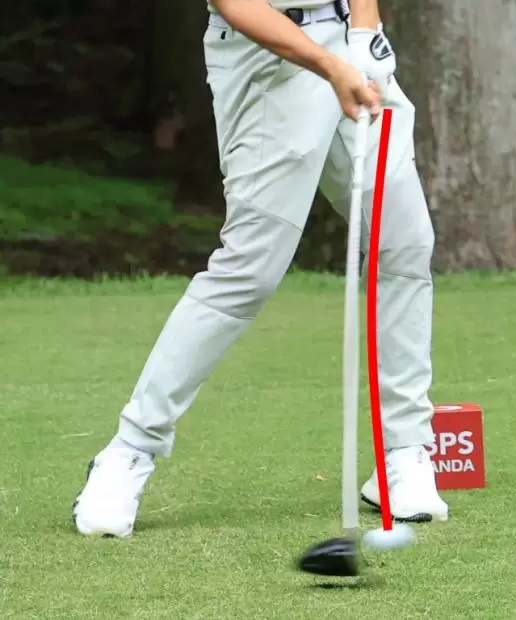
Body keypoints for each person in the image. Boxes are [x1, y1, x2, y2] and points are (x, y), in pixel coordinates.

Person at [72, 0, 448, 538]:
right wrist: (330, 65)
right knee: (249, 267)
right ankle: (130, 449)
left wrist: (365, 36)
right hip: (265, 62)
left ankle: (405, 450)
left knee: (404, 242)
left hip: (349, 44)